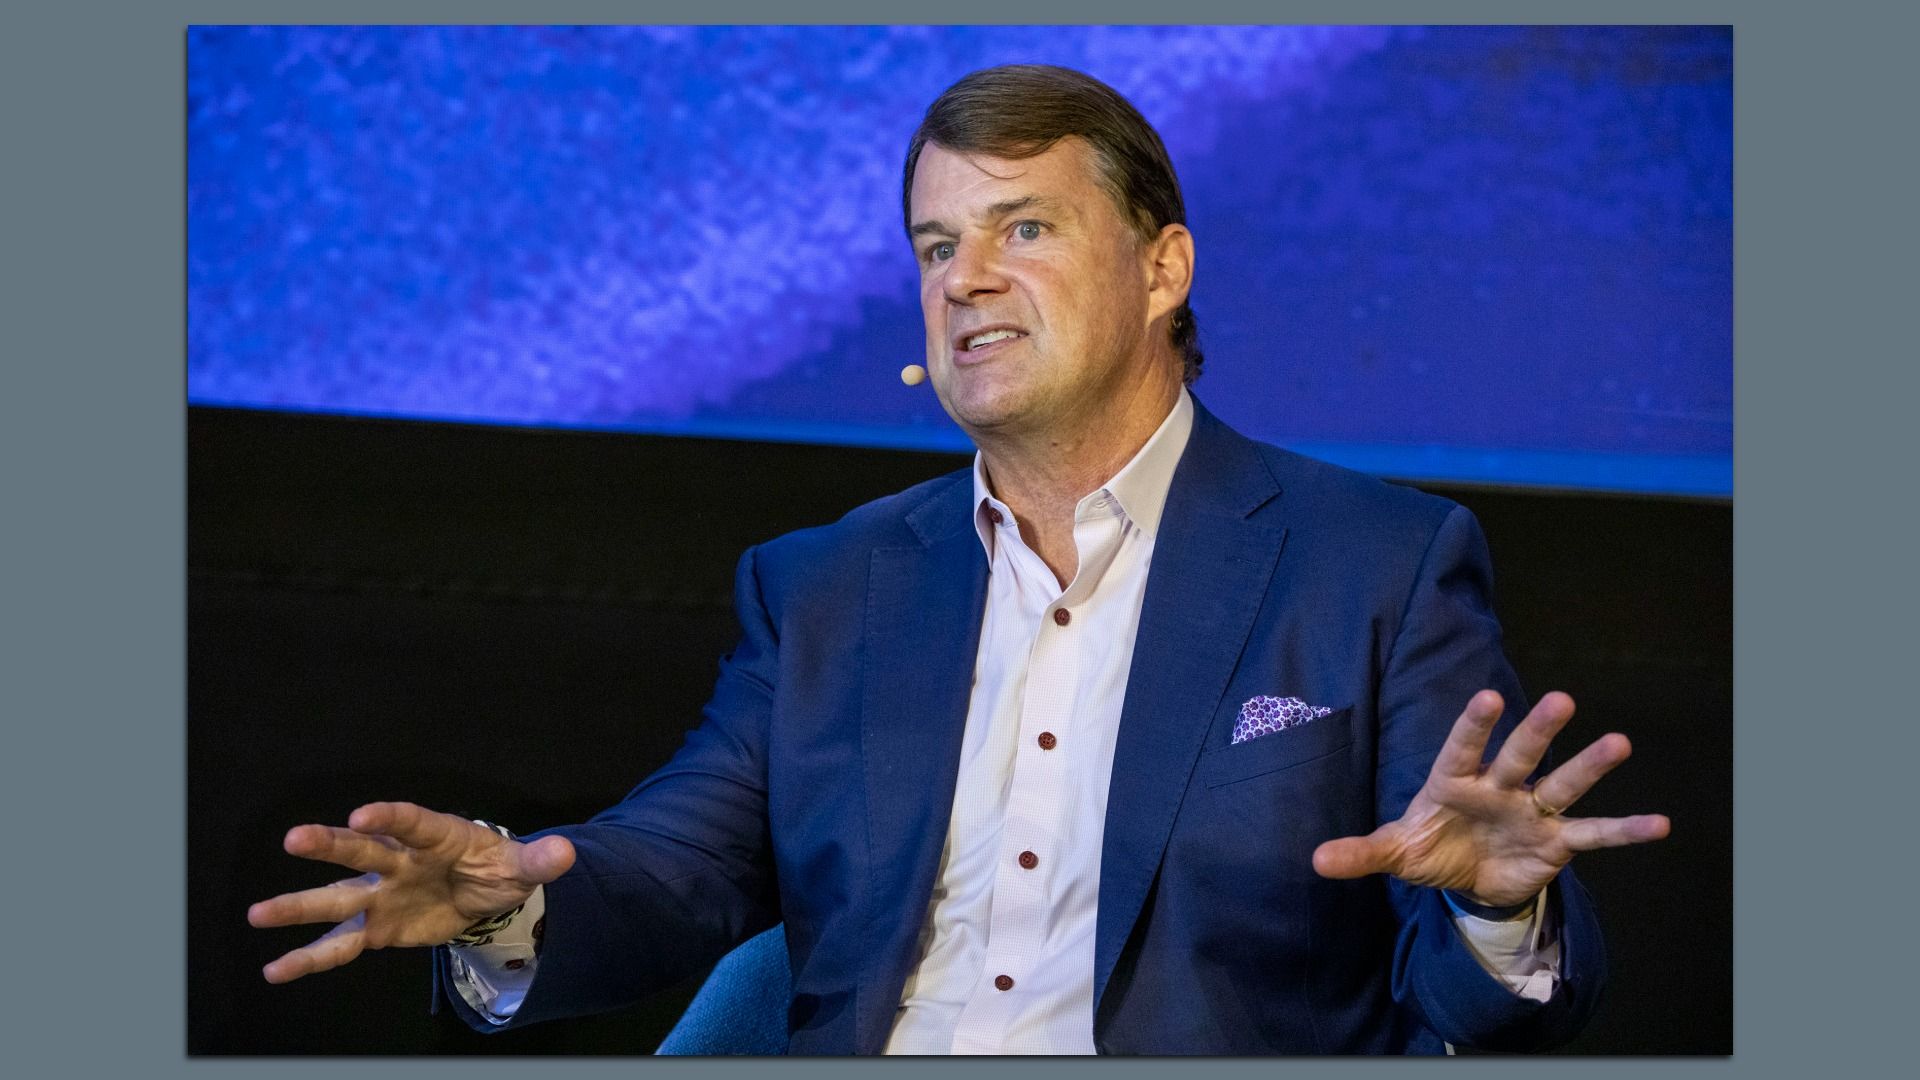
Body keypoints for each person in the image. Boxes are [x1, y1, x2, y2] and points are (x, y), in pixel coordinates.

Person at [248, 64, 1669, 1055]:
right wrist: (515, 893)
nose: (963, 280)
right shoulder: (828, 586)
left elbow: (1490, 1000)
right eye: (935, 247)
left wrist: (1495, 905)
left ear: (1163, 268)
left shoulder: (1374, 562)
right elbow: (675, 862)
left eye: (1022, 230)